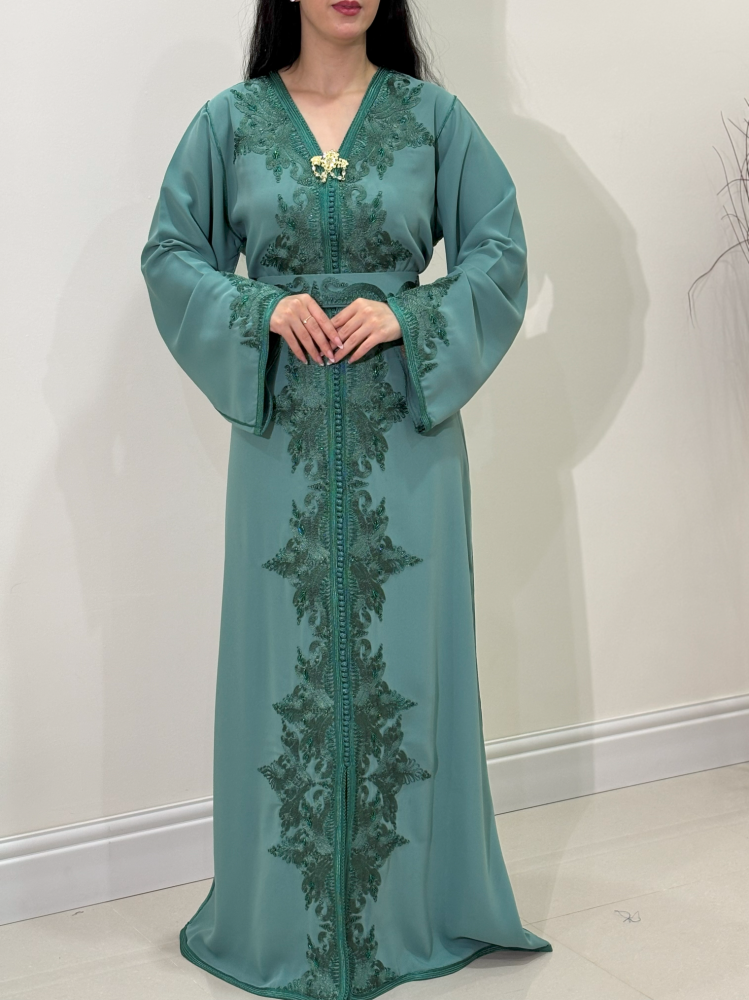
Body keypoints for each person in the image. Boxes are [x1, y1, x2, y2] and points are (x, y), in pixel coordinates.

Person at [140, 0, 552, 996]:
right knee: (279, 670)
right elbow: (171, 256)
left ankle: (412, 912)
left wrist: (407, 313)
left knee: (406, 664)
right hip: (279, 444)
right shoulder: (229, 122)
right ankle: (281, 924)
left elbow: (499, 254)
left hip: (405, 442)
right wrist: (262, 305)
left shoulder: (432, 119)